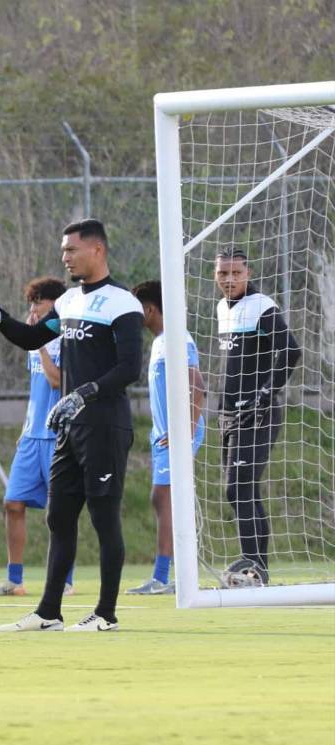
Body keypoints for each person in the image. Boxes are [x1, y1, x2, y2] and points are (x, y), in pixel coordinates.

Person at [0, 219, 143, 632]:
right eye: (63, 250)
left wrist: (84, 394)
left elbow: (128, 368)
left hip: (104, 425)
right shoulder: (66, 303)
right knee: (59, 517)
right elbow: (31, 338)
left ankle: (106, 614)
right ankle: (48, 612)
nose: (64, 257)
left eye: (71, 250)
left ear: (97, 250)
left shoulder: (123, 303)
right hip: (69, 429)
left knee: (104, 518)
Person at [0, 276, 75, 597]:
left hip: (57, 438)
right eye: (31, 303)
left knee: (59, 511)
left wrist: (41, 349)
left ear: (55, 306)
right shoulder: (34, 345)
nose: (33, 309)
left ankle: (65, 581)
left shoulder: (66, 340)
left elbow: (56, 382)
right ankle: (14, 580)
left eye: (39, 302)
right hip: (30, 437)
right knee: (13, 503)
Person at [213, 249, 300, 585]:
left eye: (236, 273)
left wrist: (265, 394)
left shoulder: (261, 305)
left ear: (247, 273)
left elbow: (291, 349)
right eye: (223, 273)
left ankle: (254, 564)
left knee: (239, 488)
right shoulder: (222, 308)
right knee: (241, 490)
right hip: (229, 414)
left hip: (257, 413)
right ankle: (257, 571)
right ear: (215, 275)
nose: (229, 280)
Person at [126, 280, 205, 595]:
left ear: (148, 309)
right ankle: (168, 576)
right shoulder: (161, 341)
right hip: (165, 436)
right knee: (164, 499)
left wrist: (183, 429)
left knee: (163, 497)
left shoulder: (175, 338)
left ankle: (165, 577)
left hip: (178, 435)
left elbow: (197, 385)